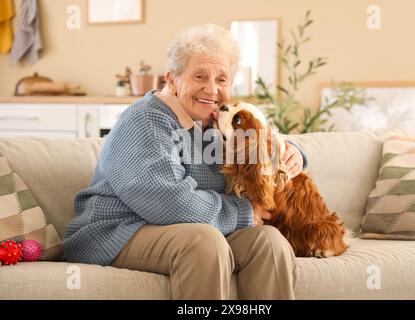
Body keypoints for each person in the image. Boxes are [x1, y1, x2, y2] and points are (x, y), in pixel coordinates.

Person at [62, 24, 307, 300]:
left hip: (186, 228)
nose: (212, 89)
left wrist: (293, 152)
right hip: (117, 230)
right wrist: (241, 214)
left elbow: (255, 143)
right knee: (203, 242)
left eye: (222, 80)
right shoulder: (147, 119)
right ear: (172, 79)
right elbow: (168, 202)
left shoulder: (213, 123)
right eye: (200, 76)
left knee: (269, 242)